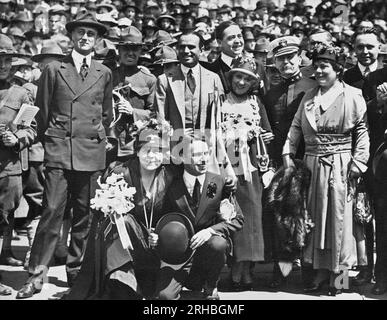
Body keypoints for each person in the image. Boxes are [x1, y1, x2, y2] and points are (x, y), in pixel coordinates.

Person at [17, 10, 113, 299]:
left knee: (85, 216)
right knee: (51, 213)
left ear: (96, 41)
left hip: (90, 152)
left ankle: (77, 273)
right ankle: (36, 274)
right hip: (60, 150)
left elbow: (105, 115)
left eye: (91, 35)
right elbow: (43, 114)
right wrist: (52, 139)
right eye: (80, 33)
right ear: (71, 37)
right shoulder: (53, 70)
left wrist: (99, 135)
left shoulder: (104, 72)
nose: (85, 38)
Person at [282, 44, 370, 296]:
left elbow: (361, 132)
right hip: (311, 164)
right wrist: (288, 154)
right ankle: (320, 274)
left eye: (325, 66)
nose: (319, 71)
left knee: (340, 222)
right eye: (317, 66)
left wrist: (359, 163)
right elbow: (296, 127)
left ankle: (340, 280)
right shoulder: (309, 97)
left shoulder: (352, 95)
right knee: (316, 220)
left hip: (341, 165)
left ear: (338, 69)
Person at [66, 118, 176, 300]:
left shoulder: (169, 177)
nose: (152, 157)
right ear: (137, 151)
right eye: (147, 151)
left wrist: (161, 234)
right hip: (126, 246)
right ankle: (123, 281)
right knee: (119, 220)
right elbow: (101, 216)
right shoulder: (120, 172)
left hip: (156, 245)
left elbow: (174, 215)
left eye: (158, 152)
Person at [157, 136, 244, 300]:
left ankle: (211, 285)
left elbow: (237, 219)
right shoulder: (170, 184)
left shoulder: (218, 182)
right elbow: (160, 217)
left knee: (218, 243)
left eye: (206, 153)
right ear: (183, 157)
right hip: (178, 256)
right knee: (165, 297)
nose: (204, 159)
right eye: (197, 154)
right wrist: (157, 234)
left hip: (207, 254)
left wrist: (210, 231)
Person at [262, 36, 316, 289]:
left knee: (309, 216)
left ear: (299, 57)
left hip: (311, 159)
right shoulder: (271, 93)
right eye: (280, 58)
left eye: (290, 57)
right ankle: (280, 273)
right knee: (281, 218)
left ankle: (309, 273)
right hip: (284, 163)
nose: (286, 62)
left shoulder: (313, 85)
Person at [220, 57, 274, 291]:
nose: (241, 82)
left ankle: (247, 270)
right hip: (227, 162)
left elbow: (268, 132)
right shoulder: (220, 101)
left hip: (251, 164)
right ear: (230, 78)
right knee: (230, 214)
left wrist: (264, 136)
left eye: (247, 78)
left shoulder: (256, 102)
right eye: (237, 76)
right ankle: (234, 268)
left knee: (252, 217)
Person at [344, 28, 383, 286]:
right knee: (357, 215)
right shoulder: (346, 76)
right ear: (353, 50)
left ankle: (381, 273)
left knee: (382, 213)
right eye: (360, 47)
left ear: (379, 47)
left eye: (370, 46)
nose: (366, 52)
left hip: (382, 156)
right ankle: (362, 267)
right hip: (353, 158)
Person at [0, 34, 36, 295]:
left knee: (6, 216)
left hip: (9, 165)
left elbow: (31, 128)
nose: (2, 65)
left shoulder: (21, 93)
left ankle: (5, 254)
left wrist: (17, 137)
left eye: (6, 60)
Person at [110, 26, 157, 161]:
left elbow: (155, 114)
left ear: (141, 51)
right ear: (118, 50)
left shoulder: (149, 80)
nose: (130, 53)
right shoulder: (109, 77)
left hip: (137, 143)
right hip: (111, 142)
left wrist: (133, 112)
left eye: (135, 49)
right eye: (126, 48)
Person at [201, 21, 246, 94]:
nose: (237, 41)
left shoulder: (257, 65)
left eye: (240, 36)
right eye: (231, 38)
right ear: (219, 42)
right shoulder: (211, 70)